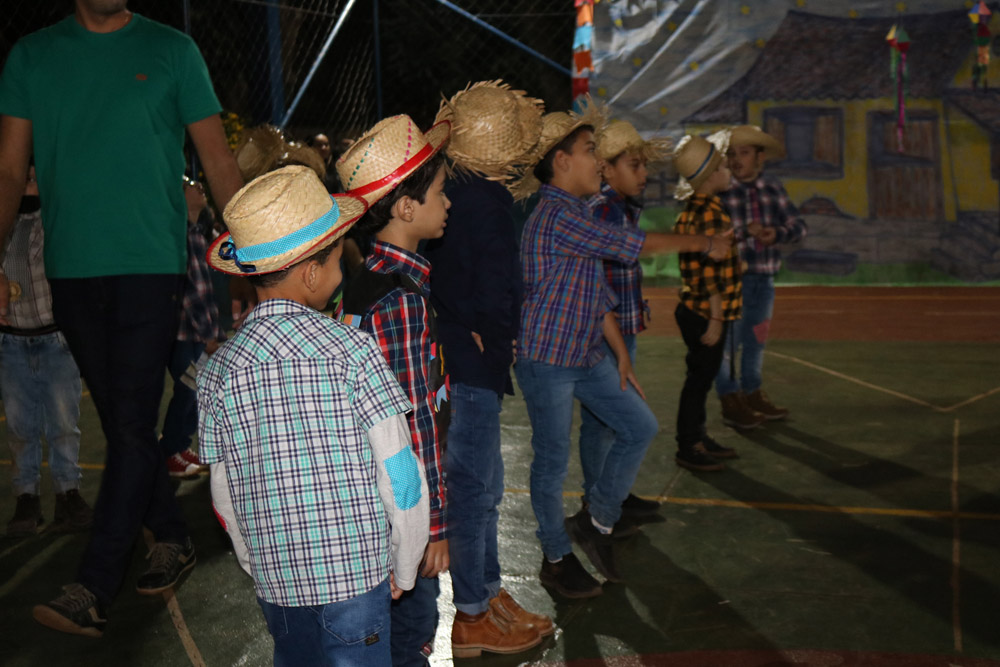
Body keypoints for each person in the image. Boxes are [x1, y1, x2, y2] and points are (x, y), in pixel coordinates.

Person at [0, 0, 244, 637]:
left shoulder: (172, 51)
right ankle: (171, 534)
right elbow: (8, 169)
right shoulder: (32, 56)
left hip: (150, 265)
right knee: (122, 422)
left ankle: (95, 584)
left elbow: (218, 161)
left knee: (131, 419)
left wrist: (256, 257)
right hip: (71, 269)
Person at [198, 165, 429, 665]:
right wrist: (405, 563)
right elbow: (401, 473)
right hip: (355, 581)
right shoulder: (354, 352)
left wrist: (256, 564)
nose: (342, 273)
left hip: (277, 583)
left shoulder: (219, 372)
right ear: (311, 274)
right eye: (338, 261)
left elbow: (223, 491)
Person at [510, 107, 732, 599]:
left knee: (639, 426)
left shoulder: (577, 213)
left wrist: (621, 356)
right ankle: (555, 558)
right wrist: (704, 242)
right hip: (547, 358)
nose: (598, 161)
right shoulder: (556, 215)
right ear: (562, 161)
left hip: (585, 354)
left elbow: (595, 294)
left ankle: (597, 521)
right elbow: (629, 244)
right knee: (551, 461)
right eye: (591, 151)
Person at [425, 80, 551, 658]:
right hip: (474, 367)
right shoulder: (492, 200)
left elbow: (446, 277)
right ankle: (474, 613)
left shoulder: (452, 189)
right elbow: (499, 287)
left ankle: (490, 594)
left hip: (454, 354)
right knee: (476, 491)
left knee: (484, 487)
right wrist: (499, 344)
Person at [336, 114, 452, 666]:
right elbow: (415, 422)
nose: (448, 203)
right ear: (406, 207)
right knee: (412, 631)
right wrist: (434, 527)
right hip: (402, 507)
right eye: (440, 192)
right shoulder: (402, 299)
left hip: (371, 495)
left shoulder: (368, 279)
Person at [578, 119, 673, 531]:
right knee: (603, 421)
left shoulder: (620, 207)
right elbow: (600, 274)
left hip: (621, 326)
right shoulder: (602, 210)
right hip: (605, 331)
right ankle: (596, 499)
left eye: (643, 165)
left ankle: (612, 492)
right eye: (634, 165)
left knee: (610, 421)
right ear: (607, 169)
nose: (643, 173)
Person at [1, 165, 92, 538]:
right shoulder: (3, 225)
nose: (28, 183)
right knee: (20, 427)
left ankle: (68, 492)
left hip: (55, 340)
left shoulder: (55, 221)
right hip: (11, 341)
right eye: (22, 176)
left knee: (63, 425)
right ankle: (27, 498)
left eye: (34, 177)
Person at [715, 125, 808, 429]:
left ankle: (752, 392)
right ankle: (730, 399)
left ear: (760, 157)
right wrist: (744, 232)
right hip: (731, 281)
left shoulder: (772, 188)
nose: (736, 160)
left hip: (764, 281)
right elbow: (710, 237)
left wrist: (776, 234)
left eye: (744, 153)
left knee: (756, 340)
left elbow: (798, 226)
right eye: (731, 154)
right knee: (728, 344)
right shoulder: (720, 189)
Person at [672, 134, 743, 472]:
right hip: (705, 312)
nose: (730, 171)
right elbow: (710, 270)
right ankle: (689, 444)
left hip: (693, 307)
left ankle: (697, 436)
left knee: (700, 378)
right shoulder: (712, 213)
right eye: (725, 167)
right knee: (699, 380)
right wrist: (716, 316)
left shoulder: (692, 210)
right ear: (712, 175)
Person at [160, 176, 222, 479]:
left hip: (198, 331)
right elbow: (189, 291)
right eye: (190, 186)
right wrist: (208, 333)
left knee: (195, 393)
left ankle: (181, 445)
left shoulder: (198, 234)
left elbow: (206, 290)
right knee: (185, 391)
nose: (199, 188)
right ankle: (169, 451)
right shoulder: (179, 237)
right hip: (185, 332)